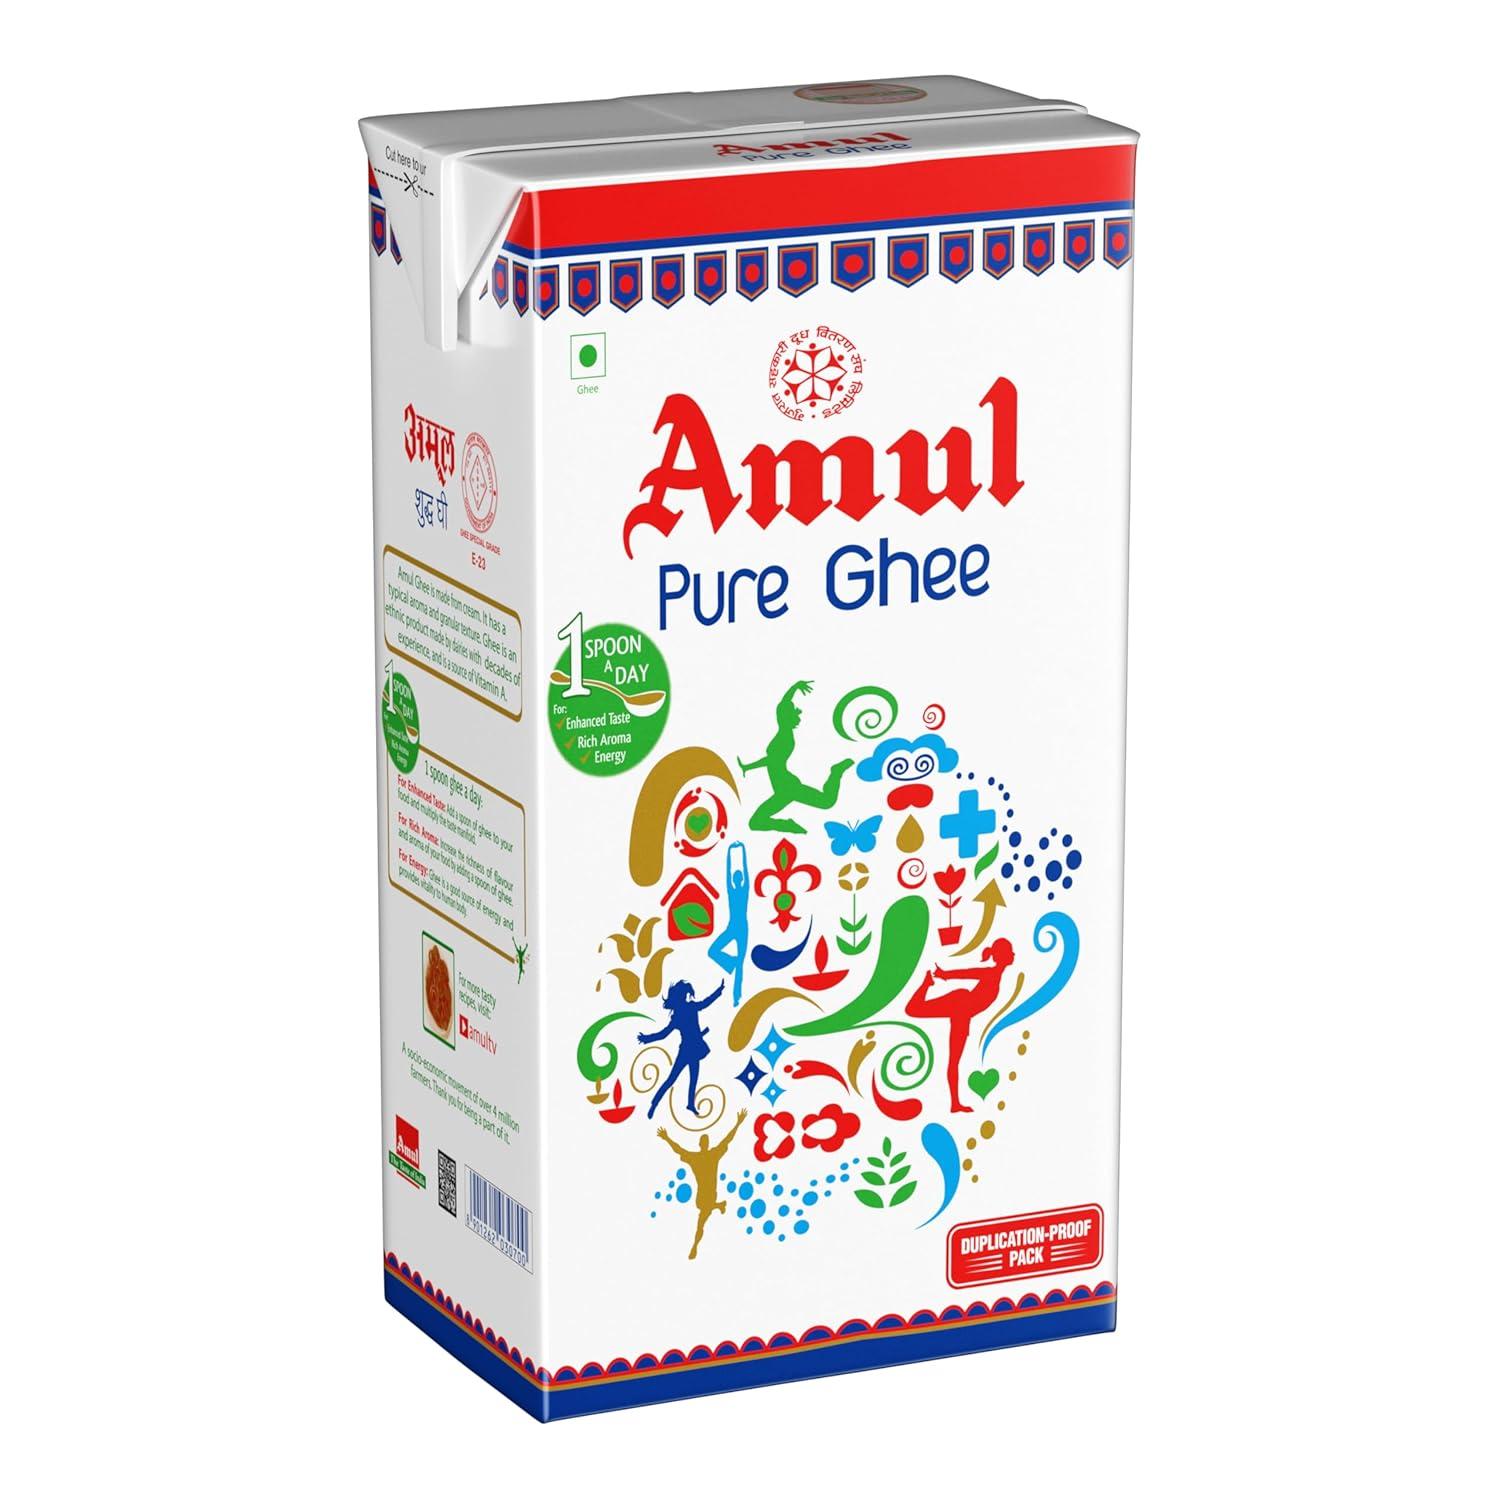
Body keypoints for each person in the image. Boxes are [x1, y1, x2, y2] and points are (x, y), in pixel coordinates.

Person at [904, 939, 1017, 1112]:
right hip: (960, 1004)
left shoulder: (996, 975)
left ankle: (955, 1104)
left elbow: (966, 975)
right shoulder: (991, 973)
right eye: (1010, 951)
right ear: (1002, 956)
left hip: (963, 1016)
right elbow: (965, 973)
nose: (1013, 955)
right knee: (912, 1010)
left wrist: (945, 975)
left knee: (954, 1061)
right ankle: (926, 983)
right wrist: (944, 974)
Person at [738, 680, 854, 834]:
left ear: (786, 718)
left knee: (826, 801)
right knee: (756, 822)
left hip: (787, 787)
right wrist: (795, 688)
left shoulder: (785, 738)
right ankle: (789, 826)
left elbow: (771, 761)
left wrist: (748, 767)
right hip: (782, 788)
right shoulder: (783, 732)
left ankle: (836, 772)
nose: (780, 715)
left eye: (783, 715)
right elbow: (783, 704)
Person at [658, 1110, 747, 1260]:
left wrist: (738, 1123)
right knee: (703, 1210)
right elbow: (679, 1149)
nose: (705, 1143)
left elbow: (727, 1140)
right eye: (704, 1142)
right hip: (703, 1197)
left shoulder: (707, 1156)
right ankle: (719, 1205)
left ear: (701, 1144)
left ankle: (694, 1247)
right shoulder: (706, 1156)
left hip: (708, 1196)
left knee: (700, 1224)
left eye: (705, 1141)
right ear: (703, 1144)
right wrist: (667, 1138)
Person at [637, 977, 724, 1119]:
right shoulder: (686, 1010)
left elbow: (663, 1034)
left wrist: (647, 1039)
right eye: (683, 994)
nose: (685, 996)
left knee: (687, 1078)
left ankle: (687, 1104)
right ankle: (656, 1104)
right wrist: (719, 991)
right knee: (676, 1079)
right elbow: (706, 1003)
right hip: (690, 1050)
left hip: (691, 1049)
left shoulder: (680, 1014)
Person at [707, 842, 749, 1005]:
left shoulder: (744, 890)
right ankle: (731, 963)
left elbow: (745, 869)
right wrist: (731, 852)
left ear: (741, 880)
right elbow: (727, 872)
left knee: (741, 964)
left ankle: (736, 997)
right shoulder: (731, 890)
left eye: (738, 878)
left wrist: (742, 850)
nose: (737, 879)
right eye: (735, 878)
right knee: (712, 951)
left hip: (742, 928)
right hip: (732, 927)